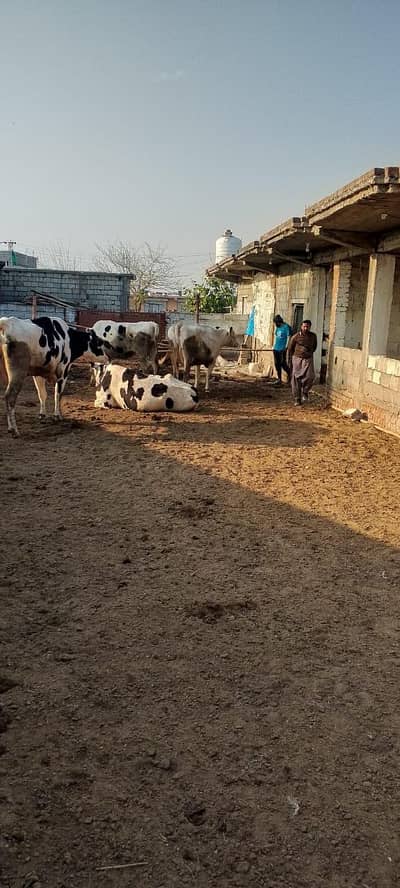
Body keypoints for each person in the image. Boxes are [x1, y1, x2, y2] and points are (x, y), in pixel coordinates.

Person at [287, 320, 317, 406]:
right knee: (296, 379)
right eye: (304, 326)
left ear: (310, 327)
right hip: (297, 359)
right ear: (301, 327)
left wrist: (308, 353)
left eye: (307, 327)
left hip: (308, 359)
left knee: (310, 376)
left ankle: (305, 391)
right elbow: (290, 348)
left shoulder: (313, 336)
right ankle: (297, 399)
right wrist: (292, 359)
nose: (305, 328)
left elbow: (314, 347)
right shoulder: (296, 336)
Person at [272, 315, 291, 384]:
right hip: (276, 348)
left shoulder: (286, 327)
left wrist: (286, 347)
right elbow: (276, 336)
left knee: (283, 364)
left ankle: (290, 376)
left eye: (276, 323)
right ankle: (279, 379)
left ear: (278, 322)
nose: (275, 324)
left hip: (282, 349)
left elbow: (289, 336)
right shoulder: (278, 328)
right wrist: (273, 346)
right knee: (277, 364)